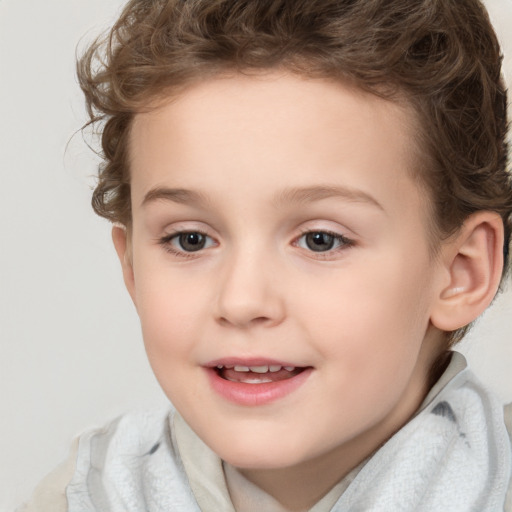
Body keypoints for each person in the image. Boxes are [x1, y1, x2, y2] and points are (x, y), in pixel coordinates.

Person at [18, 0, 512, 510]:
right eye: (190, 239)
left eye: (321, 239)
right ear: (133, 270)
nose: (242, 299)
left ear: (461, 272)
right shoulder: (83, 496)